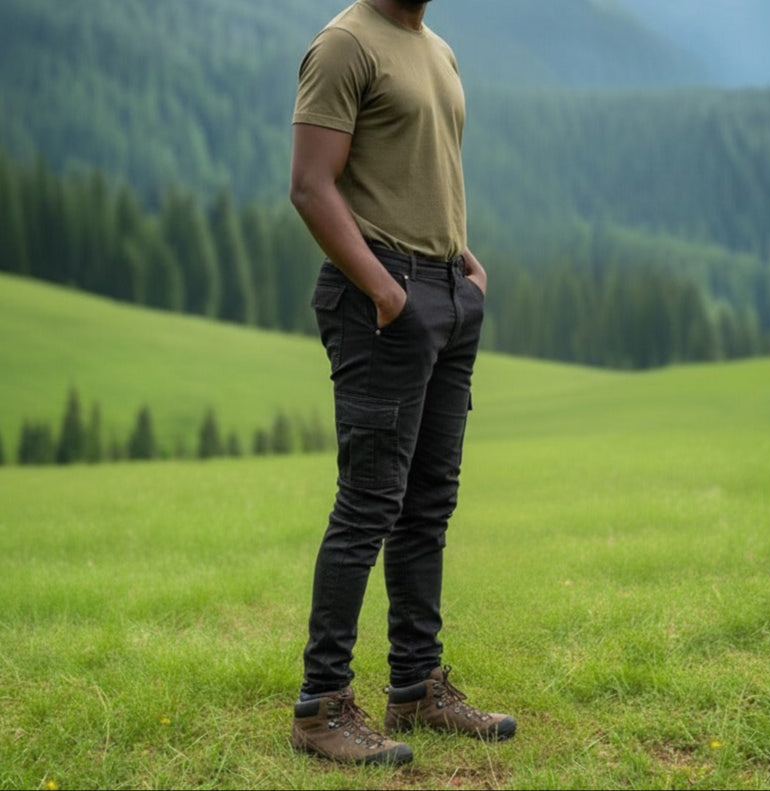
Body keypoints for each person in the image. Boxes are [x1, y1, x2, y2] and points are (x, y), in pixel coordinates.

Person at [289, 0, 516, 765]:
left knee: (427, 501)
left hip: (447, 290)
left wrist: (464, 270)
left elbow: (418, 174)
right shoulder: (345, 44)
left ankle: (417, 686)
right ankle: (321, 707)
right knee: (369, 502)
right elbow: (310, 185)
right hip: (381, 297)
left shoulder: (436, 49)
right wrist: (387, 293)